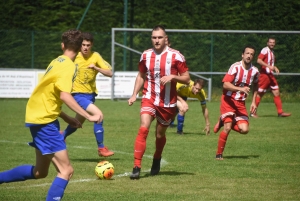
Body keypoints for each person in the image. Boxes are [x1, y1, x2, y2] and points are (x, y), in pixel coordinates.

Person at [0, 29, 101, 200]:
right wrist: (88, 115)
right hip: (44, 121)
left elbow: (50, 96)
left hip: (39, 116)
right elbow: (64, 96)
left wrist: (67, 117)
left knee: (40, 172)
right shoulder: (69, 66)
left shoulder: (56, 61)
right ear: (78, 48)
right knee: (66, 171)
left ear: (62, 45)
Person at [127, 25, 190, 179]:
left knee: (159, 135)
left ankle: (157, 158)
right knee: (143, 128)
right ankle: (136, 166)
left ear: (165, 38)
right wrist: (134, 94)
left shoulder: (176, 56)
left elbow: (187, 78)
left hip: (168, 103)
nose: (156, 40)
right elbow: (141, 75)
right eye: (154, 37)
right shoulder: (146, 55)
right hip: (149, 97)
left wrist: (173, 77)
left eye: (159, 37)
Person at [61, 32, 114, 157]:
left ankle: (61, 136)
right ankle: (101, 148)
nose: (85, 47)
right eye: (83, 45)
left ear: (92, 45)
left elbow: (110, 73)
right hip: (77, 95)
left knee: (76, 123)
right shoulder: (74, 56)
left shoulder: (95, 56)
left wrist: (96, 68)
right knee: (98, 116)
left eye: (88, 45)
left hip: (90, 96)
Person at [213, 45, 260, 160]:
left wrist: (254, 102)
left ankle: (222, 121)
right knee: (228, 128)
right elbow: (225, 84)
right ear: (242, 55)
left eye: (251, 54)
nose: (249, 56)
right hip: (228, 101)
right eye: (247, 53)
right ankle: (219, 155)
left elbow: (256, 85)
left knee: (244, 130)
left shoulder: (255, 71)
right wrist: (240, 89)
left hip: (240, 104)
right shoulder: (235, 67)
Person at [251, 37, 291, 118]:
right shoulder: (265, 50)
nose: (272, 44)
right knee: (260, 94)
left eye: (273, 42)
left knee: (276, 92)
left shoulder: (272, 52)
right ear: (267, 43)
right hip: (264, 75)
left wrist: (274, 67)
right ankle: (252, 112)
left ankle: (280, 112)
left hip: (270, 75)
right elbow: (259, 60)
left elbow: (271, 65)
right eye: (270, 42)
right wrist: (269, 66)